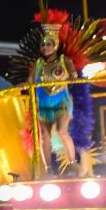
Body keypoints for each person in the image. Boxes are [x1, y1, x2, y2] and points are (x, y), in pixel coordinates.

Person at [28, 22, 78, 175]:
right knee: (44, 136)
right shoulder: (39, 64)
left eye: (48, 44)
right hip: (43, 103)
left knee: (62, 131)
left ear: (55, 44)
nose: (45, 48)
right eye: (43, 45)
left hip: (61, 101)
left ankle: (73, 165)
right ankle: (48, 169)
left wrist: (69, 80)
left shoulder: (65, 61)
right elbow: (30, 81)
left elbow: (74, 77)